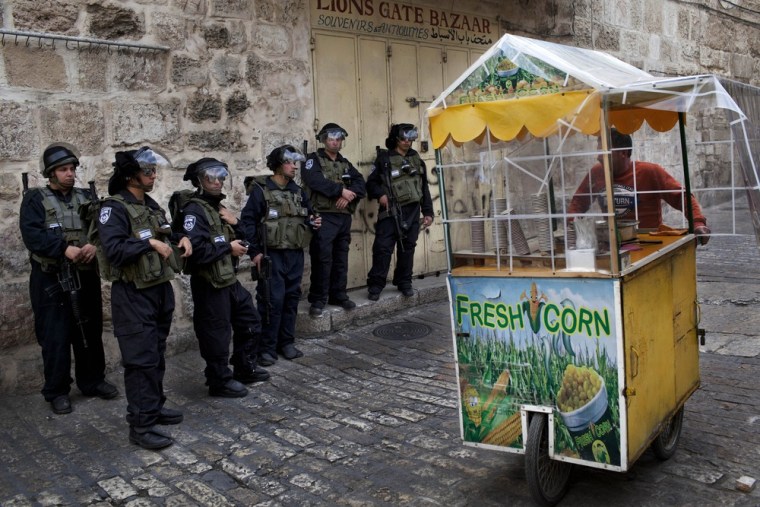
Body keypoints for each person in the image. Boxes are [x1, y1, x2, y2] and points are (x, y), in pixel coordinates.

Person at [95, 147, 192, 450]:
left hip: (159, 288)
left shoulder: (148, 204)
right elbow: (114, 250)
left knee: (156, 354)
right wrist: (149, 243)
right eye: (148, 171)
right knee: (140, 361)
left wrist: (180, 238)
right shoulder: (113, 208)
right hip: (133, 294)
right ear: (130, 176)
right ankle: (140, 425)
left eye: (154, 171)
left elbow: (166, 232)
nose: (153, 176)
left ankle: (153, 407)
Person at [19, 143, 118, 415]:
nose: (70, 174)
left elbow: (102, 229)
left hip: (84, 275)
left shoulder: (86, 197)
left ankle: (93, 380)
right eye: (63, 169)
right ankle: (57, 390)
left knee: (89, 330)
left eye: (72, 169)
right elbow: (33, 236)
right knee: (55, 336)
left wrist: (92, 246)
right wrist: (64, 249)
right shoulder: (35, 200)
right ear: (50, 173)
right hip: (50, 279)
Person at [174, 157, 270, 398]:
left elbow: (244, 237)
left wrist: (235, 222)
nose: (217, 181)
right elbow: (195, 252)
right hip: (209, 283)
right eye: (210, 177)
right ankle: (219, 381)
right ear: (199, 180)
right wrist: (228, 248)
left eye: (220, 176)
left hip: (227, 279)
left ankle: (244, 367)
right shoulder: (194, 211)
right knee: (215, 334)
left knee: (250, 320)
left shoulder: (218, 209)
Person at [241, 145, 321, 366]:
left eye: (295, 162)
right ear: (278, 165)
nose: (295, 166)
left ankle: (286, 342)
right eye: (289, 162)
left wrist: (314, 222)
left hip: (294, 254)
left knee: (291, 298)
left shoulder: (297, 191)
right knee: (270, 300)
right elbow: (247, 223)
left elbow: (307, 216)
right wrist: (255, 252)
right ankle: (266, 347)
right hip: (270, 255)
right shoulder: (261, 191)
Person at [568, 128, 710, 244]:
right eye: (599, 152)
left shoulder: (650, 171)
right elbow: (578, 202)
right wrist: (570, 226)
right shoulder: (597, 173)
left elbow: (682, 197)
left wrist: (698, 223)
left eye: (603, 153)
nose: (598, 157)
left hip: (649, 241)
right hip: (612, 242)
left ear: (623, 153)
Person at [302, 123, 366, 317]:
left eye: (338, 139)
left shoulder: (345, 163)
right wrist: (340, 190)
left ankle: (338, 294)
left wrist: (349, 194)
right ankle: (318, 299)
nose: (335, 142)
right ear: (323, 140)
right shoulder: (313, 160)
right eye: (331, 139)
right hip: (323, 216)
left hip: (342, 217)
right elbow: (314, 181)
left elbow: (360, 183)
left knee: (340, 258)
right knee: (322, 258)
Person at [366, 124, 434, 300]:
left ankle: (404, 282)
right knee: (383, 248)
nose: (407, 142)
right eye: (404, 138)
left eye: (410, 139)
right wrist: (380, 195)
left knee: (408, 248)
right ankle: (376, 285)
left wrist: (428, 212)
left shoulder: (416, 159)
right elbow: (371, 183)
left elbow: (423, 187)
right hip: (390, 211)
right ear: (396, 139)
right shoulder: (384, 159)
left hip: (412, 211)